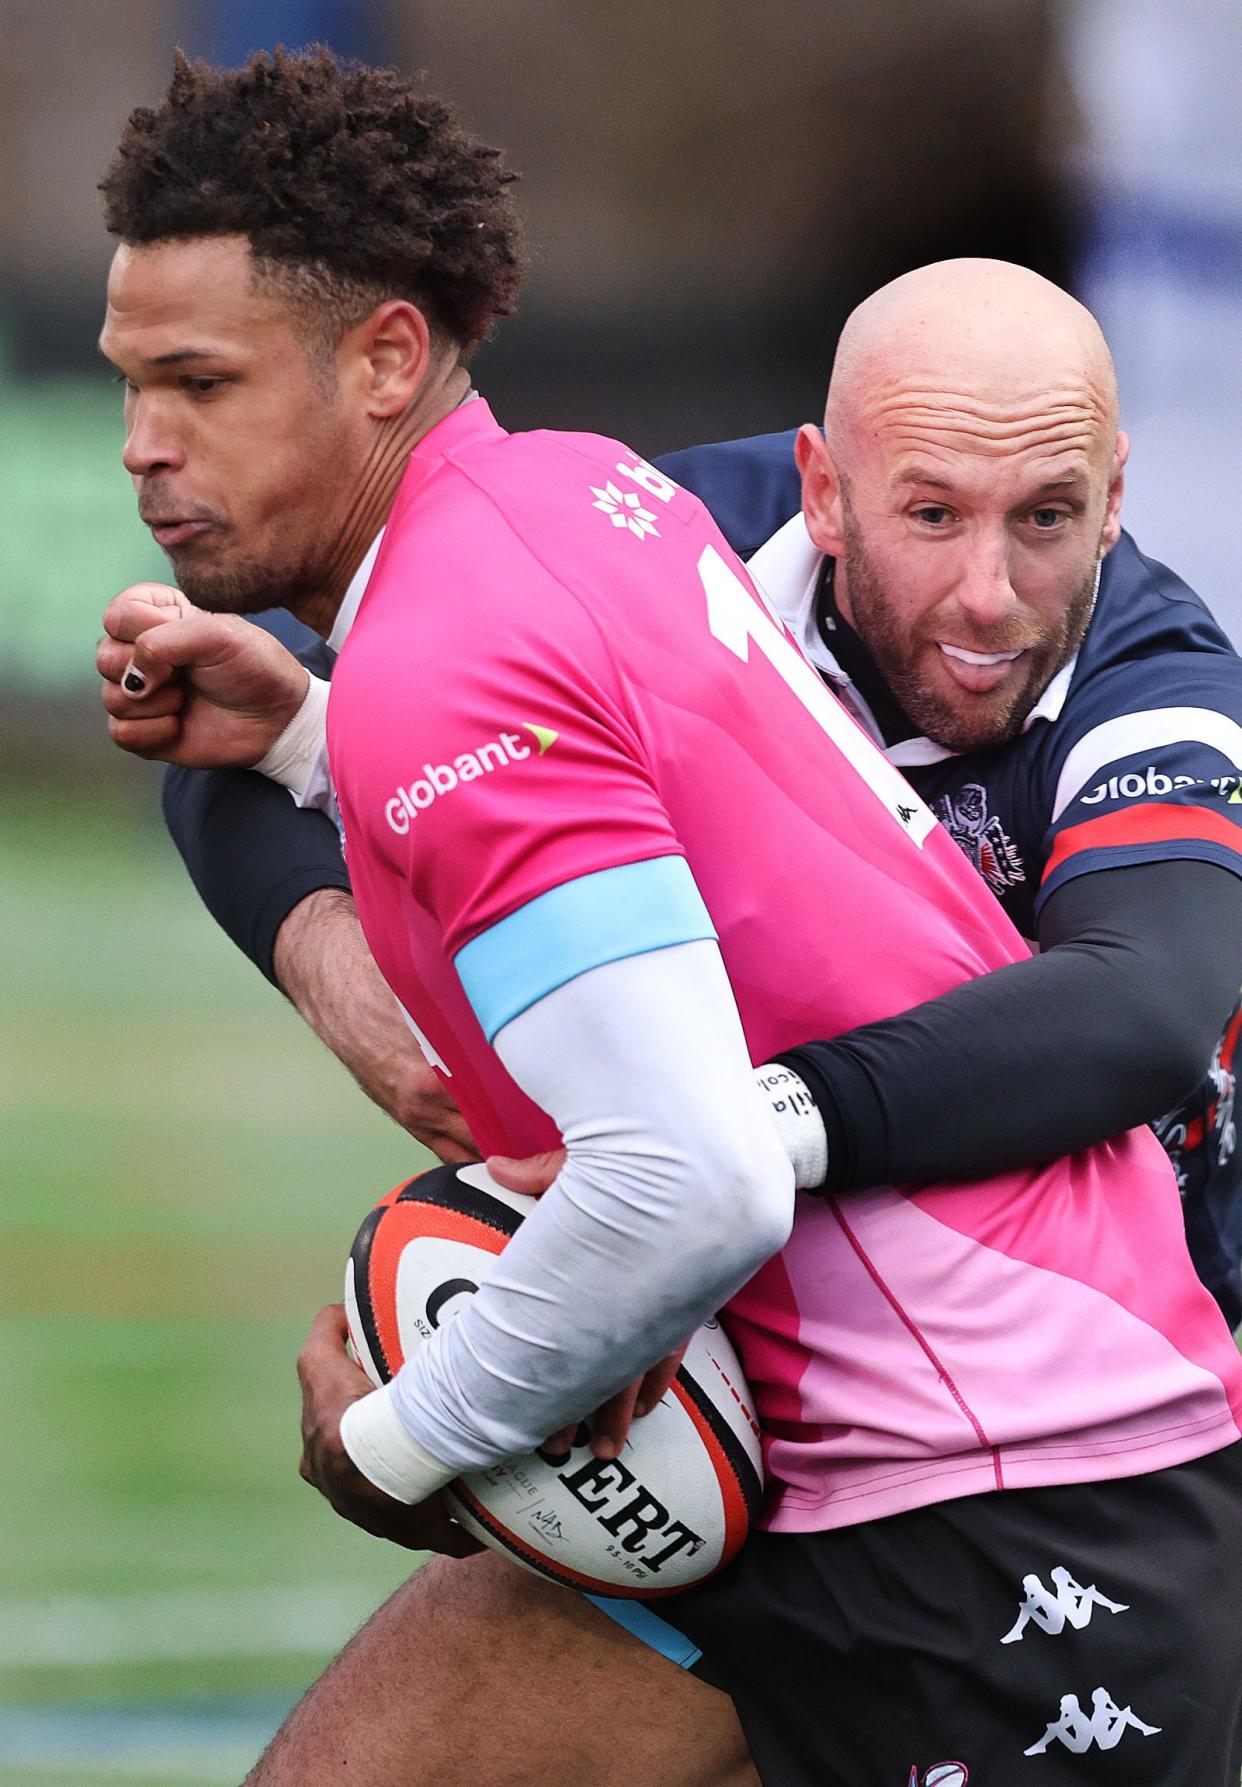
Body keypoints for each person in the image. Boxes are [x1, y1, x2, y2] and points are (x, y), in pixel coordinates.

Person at [95, 50, 1242, 1785]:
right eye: (928, 512)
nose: (987, 590)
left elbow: (1120, 1017)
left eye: (200, 385)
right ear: (821, 487)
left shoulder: (1148, 669)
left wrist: (408, 1440)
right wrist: (340, 904)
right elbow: (254, 743)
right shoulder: (619, 513)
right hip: (756, 1413)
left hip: (1031, 1466)